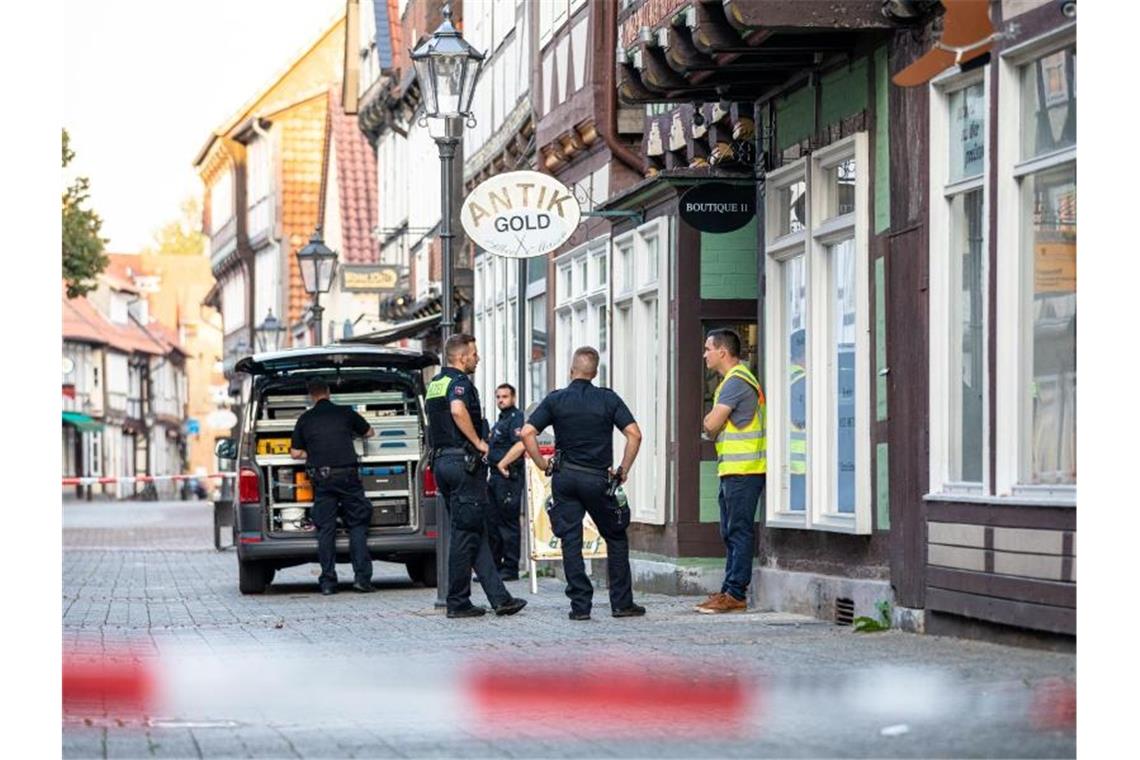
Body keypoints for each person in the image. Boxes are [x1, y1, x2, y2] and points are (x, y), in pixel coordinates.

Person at [519, 346, 646, 621]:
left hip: (565, 477)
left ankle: (580, 606)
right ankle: (622, 604)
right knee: (615, 536)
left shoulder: (556, 400)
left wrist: (543, 464)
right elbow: (634, 435)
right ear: (595, 373)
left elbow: (527, 432)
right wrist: (623, 469)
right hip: (597, 478)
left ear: (571, 370)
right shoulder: (608, 399)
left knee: (571, 540)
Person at [425, 333, 527, 619]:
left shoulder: (435, 384)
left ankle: (500, 599)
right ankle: (457, 601)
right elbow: (458, 411)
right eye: (474, 353)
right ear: (461, 357)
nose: (477, 358)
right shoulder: (459, 384)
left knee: (474, 529)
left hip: (443, 463)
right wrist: (480, 443)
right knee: (464, 533)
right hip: (463, 464)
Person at [697, 329, 766, 614]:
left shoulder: (735, 382)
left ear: (722, 352)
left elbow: (711, 425)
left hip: (744, 469)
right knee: (731, 530)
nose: (704, 354)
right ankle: (729, 589)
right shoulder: (734, 380)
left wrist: (711, 422)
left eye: (707, 349)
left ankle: (735, 593)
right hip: (736, 469)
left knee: (737, 531)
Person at [289, 378, 376, 596]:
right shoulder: (345, 412)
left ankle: (328, 582)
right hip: (348, 476)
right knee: (357, 525)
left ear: (311, 396)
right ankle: (362, 580)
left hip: (322, 478)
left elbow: (295, 453)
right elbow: (369, 432)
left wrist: (315, 452)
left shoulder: (305, 419)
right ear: (328, 392)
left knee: (326, 529)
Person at [486, 383, 526, 581]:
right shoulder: (501, 420)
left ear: (513, 397)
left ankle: (510, 568)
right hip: (495, 476)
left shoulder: (516, 418)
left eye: (505, 396)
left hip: (508, 476)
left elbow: (521, 444)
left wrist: (503, 463)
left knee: (508, 524)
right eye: (498, 397)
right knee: (493, 523)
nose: (501, 400)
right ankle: (495, 567)